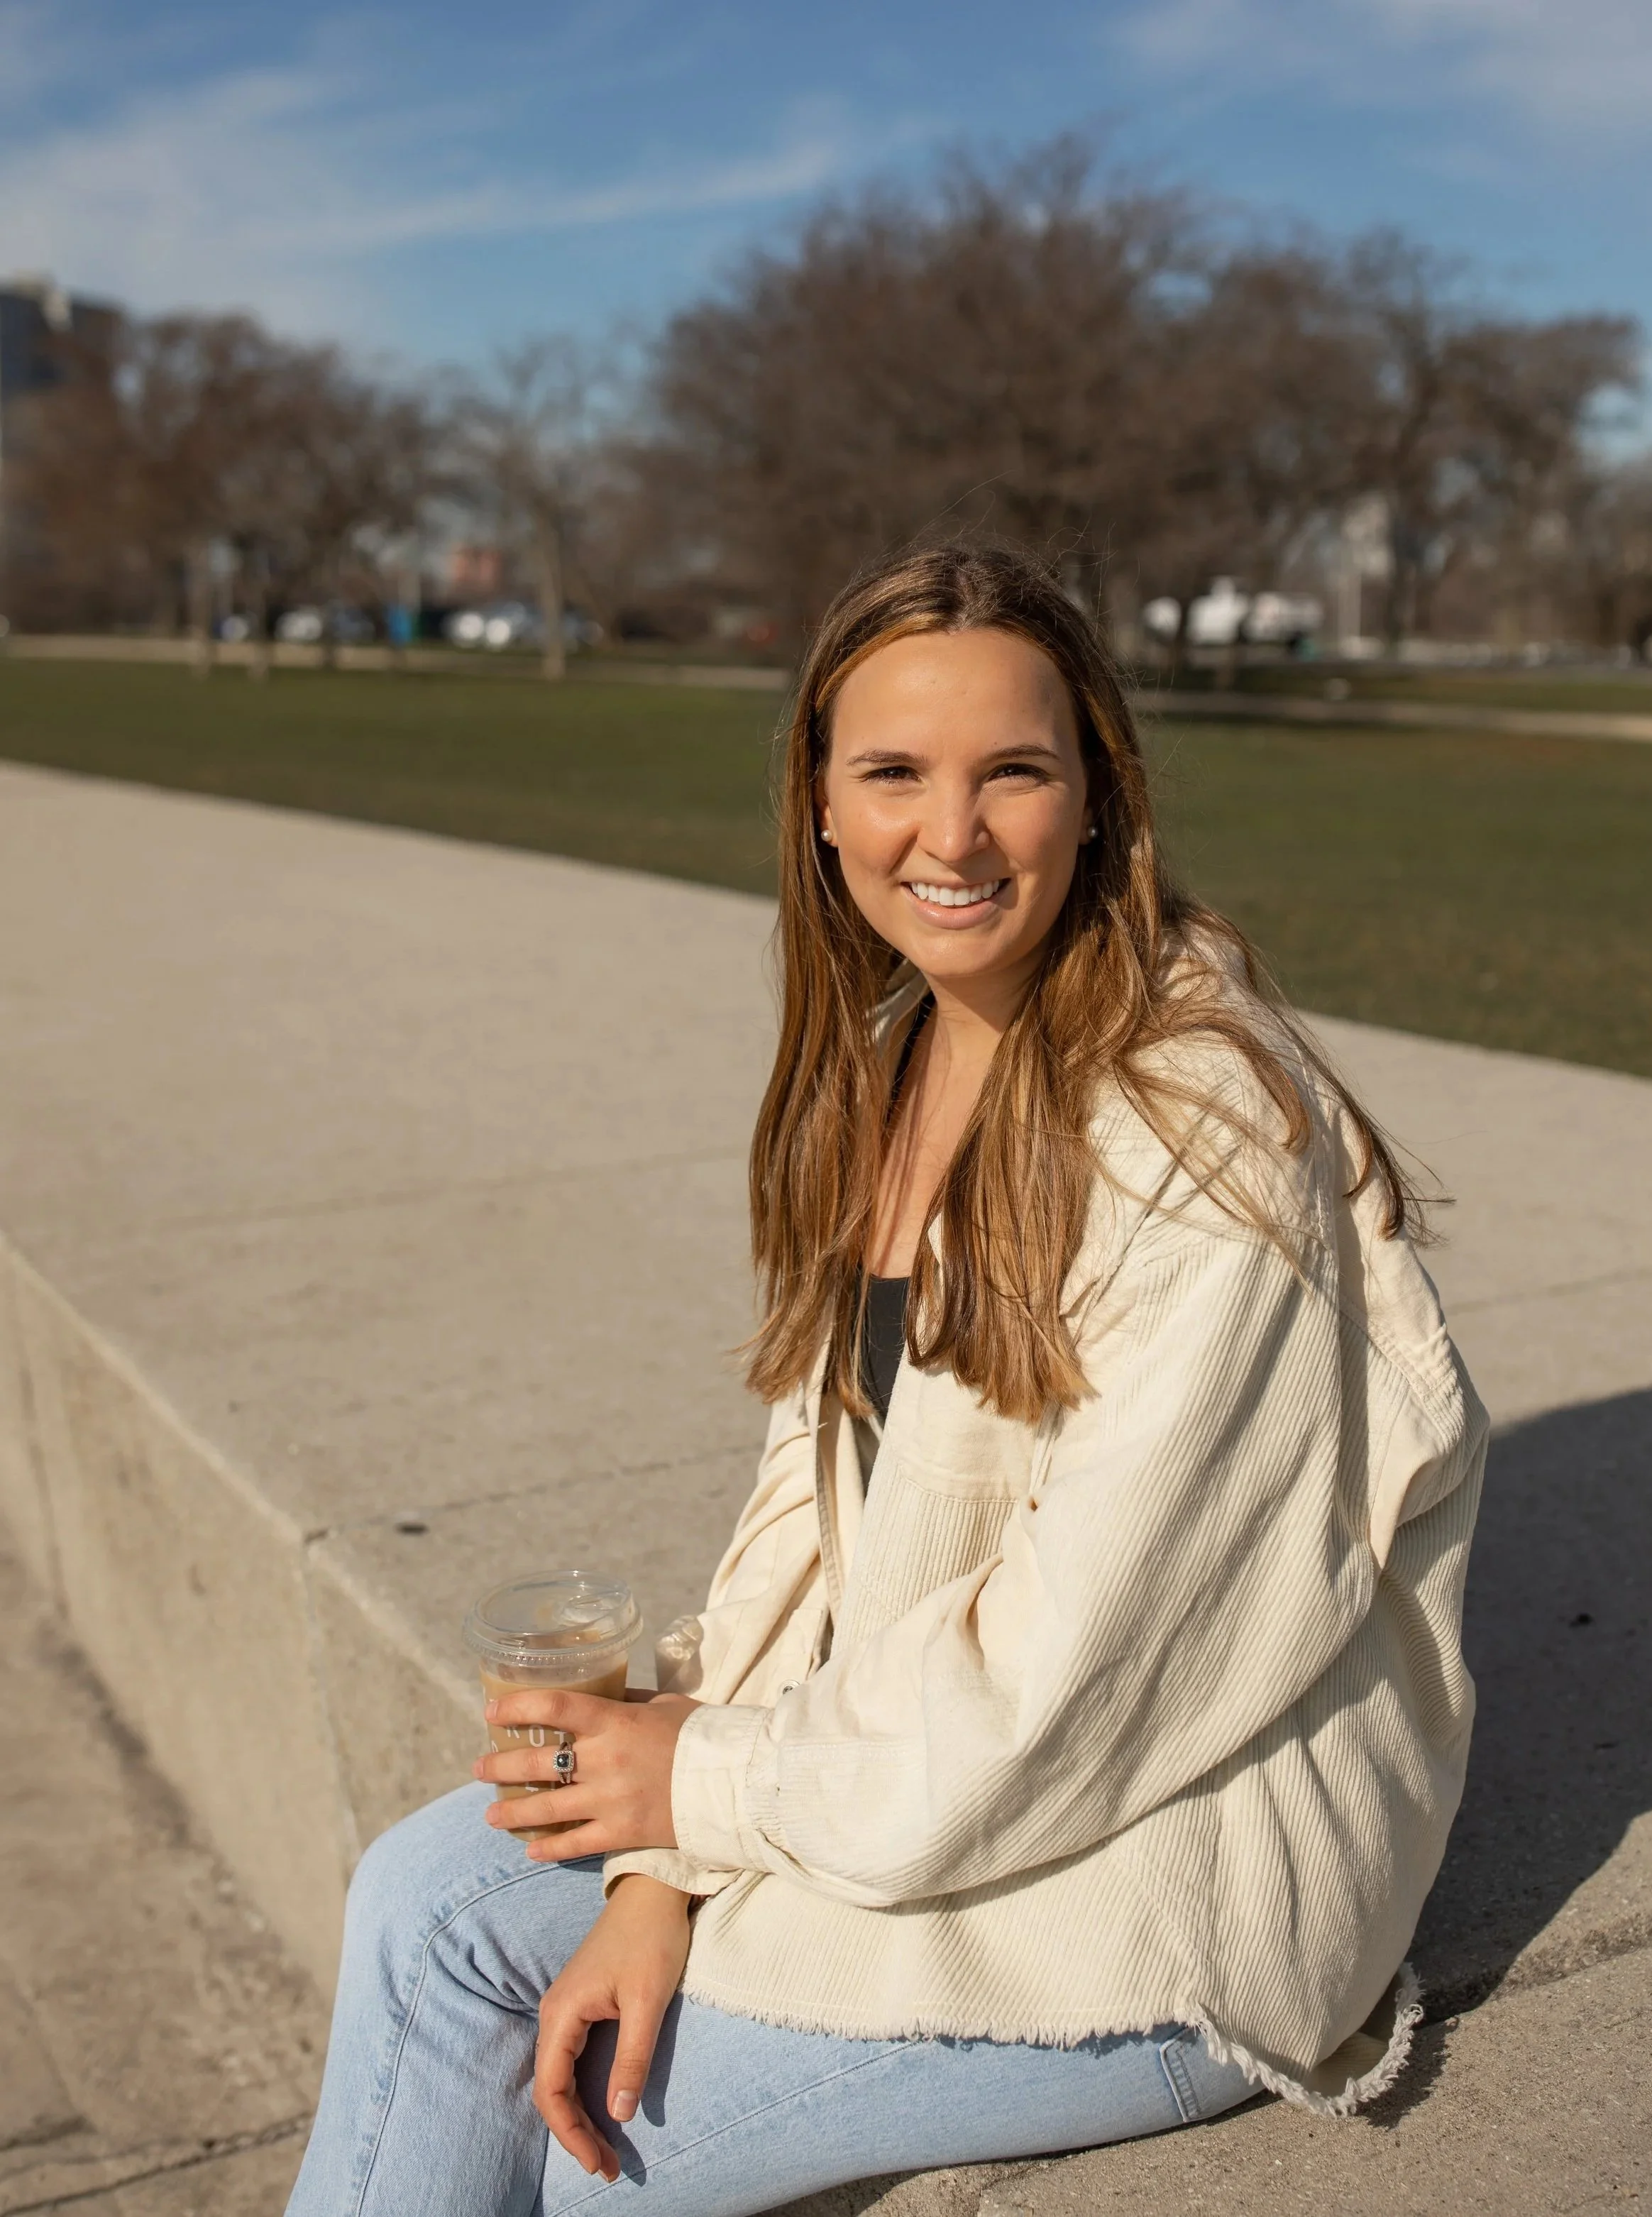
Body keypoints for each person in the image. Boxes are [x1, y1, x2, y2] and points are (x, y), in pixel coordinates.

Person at [287, 544, 1486, 2217]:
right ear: (821, 811)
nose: (951, 832)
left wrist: (703, 1771)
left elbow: (1084, 1670)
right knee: (422, 1897)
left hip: (1156, 1873)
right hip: (945, 1772)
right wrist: (658, 1858)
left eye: (1012, 769)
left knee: (591, 2167)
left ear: (1095, 797)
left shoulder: (1196, 1128)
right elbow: (814, 1502)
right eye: (894, 773)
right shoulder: (903, 1052)